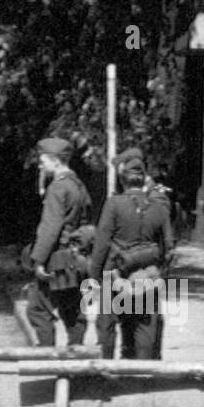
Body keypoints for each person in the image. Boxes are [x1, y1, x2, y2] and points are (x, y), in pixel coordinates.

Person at [88, 148, 174, 360]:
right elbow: (168, 247)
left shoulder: (114, 204)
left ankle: (107, 368)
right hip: (146, 277)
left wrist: (94, 277)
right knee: (144, 325)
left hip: (114, 275)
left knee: (107, 324)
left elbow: (101, 244)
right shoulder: (159, 208)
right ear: (143, 179)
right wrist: (159, 273)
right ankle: (141, 369)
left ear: (122, 179)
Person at [26, 137, 93, 348]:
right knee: (72, 310)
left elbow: (50, 227)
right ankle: (76, 356)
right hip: (74, 258)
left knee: (38, 309)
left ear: (55, 161)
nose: (40, 165)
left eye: (43, 160)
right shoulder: (78, 185)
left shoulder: (58, 187)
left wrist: (38, 260)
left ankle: (47, 357)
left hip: (56, 258)